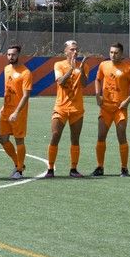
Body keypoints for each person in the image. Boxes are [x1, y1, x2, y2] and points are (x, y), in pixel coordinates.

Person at [91, 43, 130, 177]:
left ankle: (124, 168)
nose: (113, 55)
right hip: (105, 108)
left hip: (120, 109)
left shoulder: (128, 69)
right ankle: (100, 167)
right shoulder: (103, 65)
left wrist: (126, 101)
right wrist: (97, 95)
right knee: (101, 136)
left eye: (116, 53)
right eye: (111, 52)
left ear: (122, 54)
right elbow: (97, 79)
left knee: (121, 137)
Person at [46, 40, 89, 178]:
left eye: (76, 49)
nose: (75, 52)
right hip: (61, 107)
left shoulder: (83, 66)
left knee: (75, 139)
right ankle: (50, 169)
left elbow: (84, 84)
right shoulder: (58, 65)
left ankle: (73, 169)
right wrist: (71, 69)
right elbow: (60, 82)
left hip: (77, 108)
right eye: (71, 49)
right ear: (65, 51)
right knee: (55, 136)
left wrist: (81, 70)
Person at [0, 45, 32, 180]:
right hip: (6, 110)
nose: (10, 57)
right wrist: (3, 106)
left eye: (13, 54)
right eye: (8, 54)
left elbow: (25, 95)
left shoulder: (26, 72)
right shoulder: (6, 69)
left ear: (18, 55)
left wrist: (17, 112)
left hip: (18, 112)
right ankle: (18, 163)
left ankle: (19, 170)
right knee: (2, 139)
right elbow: (8, 91)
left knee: (19, 139)